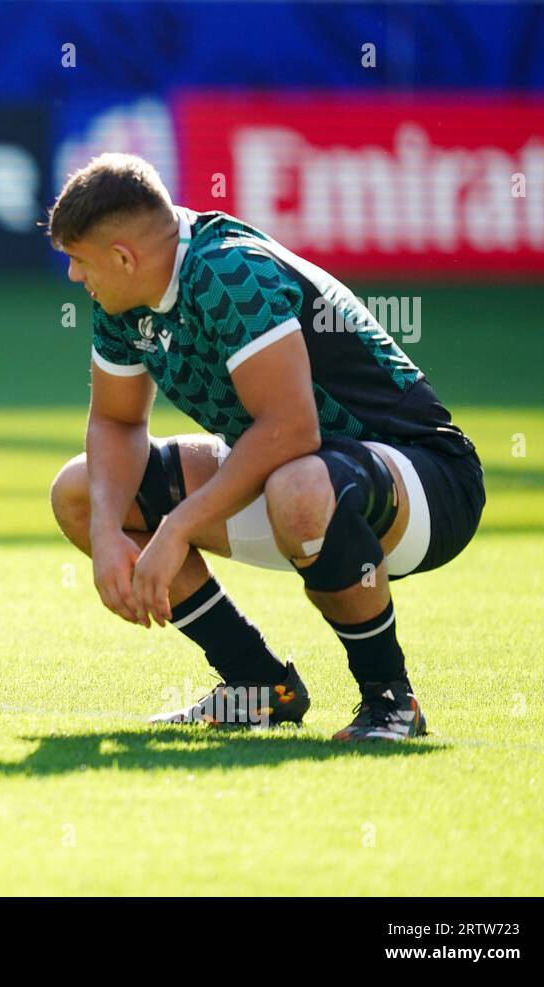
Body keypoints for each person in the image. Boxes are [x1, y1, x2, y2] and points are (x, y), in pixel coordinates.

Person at [47, 154, 484, 740]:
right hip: (295, 473)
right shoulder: (121, 299)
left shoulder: (229, 273)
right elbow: (116, 425)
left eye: (80, 261)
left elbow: (290, 428)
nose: (76, 277)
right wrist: (105, 531)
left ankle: (391, 703)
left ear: (124, 257)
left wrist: (175, 529)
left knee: (298, 484)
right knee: (80, 491)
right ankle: (256, 686)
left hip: (424, 479)